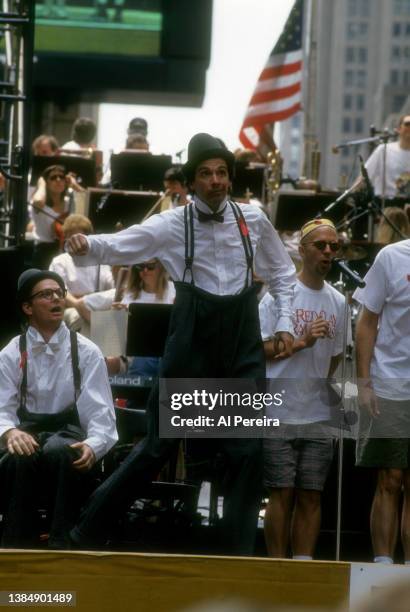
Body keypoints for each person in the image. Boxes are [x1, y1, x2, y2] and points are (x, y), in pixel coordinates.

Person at [66, 132, 296, 555]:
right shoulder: (173, 223)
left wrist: (282, 323)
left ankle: (236, 555)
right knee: (159, 446)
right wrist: (85, 244)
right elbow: (121, 244)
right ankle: (85, 532)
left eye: (222, 172)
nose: (216, 180)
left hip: (241, 346)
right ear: (192, 182)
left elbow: (283, 276)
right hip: (193, 340)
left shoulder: (254, 220)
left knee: (247, 453)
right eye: (206, 174)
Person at [0, 269, 117, 549]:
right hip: (28, 432)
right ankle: (15, 548)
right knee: (20, 455)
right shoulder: (11, 353)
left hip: (68, 433)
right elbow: (2, 407)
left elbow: (101, 414)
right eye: (45, 294)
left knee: (62, 452)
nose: (56, 299)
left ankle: (63, 546)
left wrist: (94, 445)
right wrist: (10, 431)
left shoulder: (87, 351)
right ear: (27, 307)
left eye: (59, 293)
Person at [260, 219, 347, 560]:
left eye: (333, 246)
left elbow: (338, 356)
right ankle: (277, 569)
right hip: (278, 408)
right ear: (302, 250)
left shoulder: (338, 301)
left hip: (316, 413)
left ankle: (303, 567)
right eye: (320, 245)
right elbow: (258, 349)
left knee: (312, 494)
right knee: (280, 492)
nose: (328, 252)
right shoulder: (279, 297)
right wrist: (301, 342)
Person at [354, 236, 410, 564]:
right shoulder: (391, 256)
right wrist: (364, 383)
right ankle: (383, 566)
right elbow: (366, 322)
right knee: (390, 479)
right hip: (391, 385)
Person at [49, 214, 114, 335]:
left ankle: (111, 353)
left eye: (79, 237)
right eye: (71, 237)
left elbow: (112, 286)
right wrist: (79, 305)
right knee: (77, 317)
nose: (75, 242)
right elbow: (59, 292)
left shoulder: (100, 261)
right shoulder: (59, 262)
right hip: (71, 308)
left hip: (98, 306)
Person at [30, 165, 84, 270]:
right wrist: (41, 183)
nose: (58, 180)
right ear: (47, 182)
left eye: (61, 177)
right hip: (44, 252)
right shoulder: (41, 204)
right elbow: (37, 201)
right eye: (53, 178)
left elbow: (86, 201)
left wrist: (74, 185)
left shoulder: (70, 202)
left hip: (67, 251)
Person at [364, 114, 410, 200]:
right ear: (398, 129)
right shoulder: (383, 150)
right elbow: (365, 177)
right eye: (407, 124)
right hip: (385, 205)